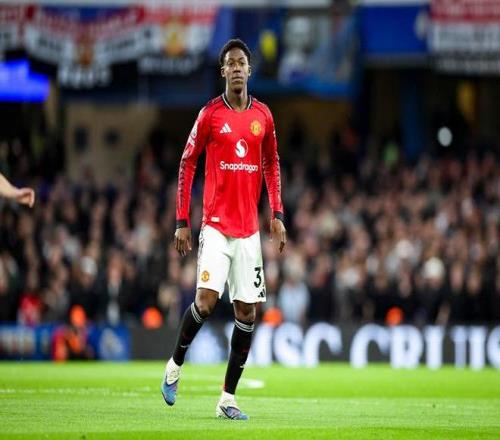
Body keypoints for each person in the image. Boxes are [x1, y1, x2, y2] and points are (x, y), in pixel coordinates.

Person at [161, 38, 286, 420]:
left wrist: (277, 213)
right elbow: (187, 163)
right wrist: (182, 221)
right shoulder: (210, 115)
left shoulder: (263, 116)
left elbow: (271, 164)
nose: (236, 68)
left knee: (247, 314)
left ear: (249, 70)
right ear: (223, 71)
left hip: (249, 231)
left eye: (241, 63)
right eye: (230, 63)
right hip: (215, 226)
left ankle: (227, 399)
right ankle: (174, 366)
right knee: (205, 301)